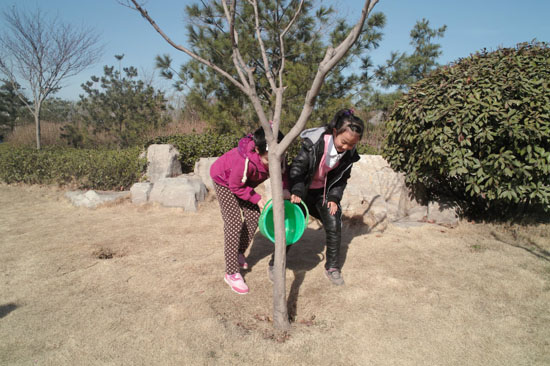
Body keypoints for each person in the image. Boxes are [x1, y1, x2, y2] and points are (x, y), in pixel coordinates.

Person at [269, 109, 364, 286]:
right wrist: (296, 190)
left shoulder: (349, 154)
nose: (346, 148)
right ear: (335, 132)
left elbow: (341, 179)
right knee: (290, 225)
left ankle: (333, 267)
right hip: (301, 189)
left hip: (323, 193)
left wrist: (334, 198)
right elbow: (297, 168)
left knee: (334, 222)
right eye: (344, 142)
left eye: (351, 145)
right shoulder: (313, 143)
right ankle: (276, 263)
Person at [210, 126, 290, 294]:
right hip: (224, 180)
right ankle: (231, 273)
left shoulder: (277, 155)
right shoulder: (244, 159)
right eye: (268, 161)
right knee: (234, 223)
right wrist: (257, 198)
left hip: (243, 184)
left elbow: (283, 174)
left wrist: (284, 189)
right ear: (257, 150)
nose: (273, 164)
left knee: (254, 216)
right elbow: (235, 186)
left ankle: (238, 251)